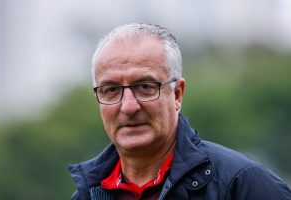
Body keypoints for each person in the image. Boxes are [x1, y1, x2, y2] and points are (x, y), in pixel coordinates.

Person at [68, 23, 291, 200]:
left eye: (146, 87)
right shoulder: (88, 195)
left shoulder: (240, 185)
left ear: (177, 94)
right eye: (111, 90)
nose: (128, 107)